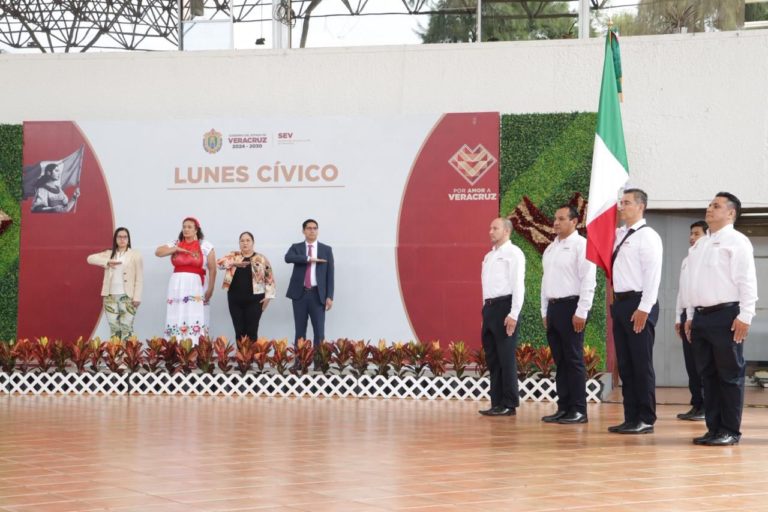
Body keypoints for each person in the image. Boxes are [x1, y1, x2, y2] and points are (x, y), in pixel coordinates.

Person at [685, 192, 758, 446]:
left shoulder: (737, 241)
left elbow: (746, 281)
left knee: (729, 375)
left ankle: (729, 430)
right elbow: (692, 283)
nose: (709, 208)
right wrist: (691, 315)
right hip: (701, 317)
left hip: (727, 316)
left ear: (731, 213)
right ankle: (714, 428)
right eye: (709, 204)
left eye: (716, 206)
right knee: (708, 376)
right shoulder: (701, 244)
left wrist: (746, 315)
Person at [608, 188, 663, 435]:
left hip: (639, 303)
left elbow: (653, 275)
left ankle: (646, 418)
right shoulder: (620, 234)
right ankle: (631, 417)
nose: (622, 207)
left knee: (641, 364)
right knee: (626, 365)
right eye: (621, 202)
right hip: (620, 304)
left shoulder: (647, 236)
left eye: (627, 202)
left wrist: (644, 308)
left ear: (641, 206)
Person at [540, 206, 596, 424]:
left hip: (572, 307)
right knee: (560, 361)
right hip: (554, 309)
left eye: (562, 219)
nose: (556, 222)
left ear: (574, 222)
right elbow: (545, 281)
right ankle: (564, 408)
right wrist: (545, 311)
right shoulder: (551, 248)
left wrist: (582, 311)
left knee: (573, 359)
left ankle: (579, 410)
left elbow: (588, 280)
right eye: (555, 218)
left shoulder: (581, 245)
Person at [479, 217, 525, 417]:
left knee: (506, 358)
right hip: (489, 309)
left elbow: (518, 285)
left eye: (495, 228)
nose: (490, 231)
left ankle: (509, 403)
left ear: (507, 231)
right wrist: (485, 313)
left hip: (505, 307)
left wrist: (514, 313)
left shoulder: (514, 253)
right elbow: (486, 287)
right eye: (490, 228)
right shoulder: (489, 256)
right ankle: (497, 402)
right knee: (493, 358)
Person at [155, 217, 216, 343]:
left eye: (189, 227)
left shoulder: (205, 245)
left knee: (195, 312)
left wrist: (210, 288)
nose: (186, 229)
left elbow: (213, 269)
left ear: (196, 230)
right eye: (184, 227)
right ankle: (175, 344)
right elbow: (158, 252)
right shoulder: (176, 243)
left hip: (196, 284)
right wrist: (175, 249)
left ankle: (196, 344)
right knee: (177, 312)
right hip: (177, 284)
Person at [674, 220, 708, 421]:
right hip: (686, 314)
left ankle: (706, 405)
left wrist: (692, 315)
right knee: (691, 363)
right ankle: (696, 403)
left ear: (707, 235)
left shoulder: (706, 259)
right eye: (691, 234)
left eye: (696, 233)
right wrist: (678, 316)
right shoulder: (686, 260)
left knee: (702, 362)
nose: (692, 238)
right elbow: (682, 291)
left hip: (700, 313)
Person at [285, 219, 334, 350]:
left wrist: (329, 296)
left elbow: (330, 275)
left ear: (317, 230)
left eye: (314, 228)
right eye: (309, 228)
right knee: (300, 332)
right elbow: (288, 258)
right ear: (303, 231)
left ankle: (319, 362)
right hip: (299, 295)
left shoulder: (326, 249)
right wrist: (308, 259)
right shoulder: (296, 247)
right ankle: (300, 361)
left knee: (319, 332)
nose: (312, 230)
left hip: (318, 295)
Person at [217, 231, 276, 341]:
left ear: (253, 242)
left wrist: (268, 297)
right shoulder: (233, 255)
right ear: (239, 243)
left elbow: (269, 278)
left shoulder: (261, 258)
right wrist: (234, 263)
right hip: (235, 299)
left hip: (255, 300)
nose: (245, 243)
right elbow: (219, 264)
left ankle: (251, 353)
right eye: (242, 241)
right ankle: (241, 353)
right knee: (239, 331)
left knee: (252, 331)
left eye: (248, 240)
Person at [86, 227, 143, 340]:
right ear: (115, 239)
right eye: (119, 237)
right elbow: (90, 258)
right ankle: (115, 351)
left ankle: (128, 351)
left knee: (126, 328)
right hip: (110, 296)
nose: (122, 239)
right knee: (114, 329)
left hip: (128, 296)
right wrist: (107, 262)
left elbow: (139, 278)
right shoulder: (109, 253)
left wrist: (137, 297)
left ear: (128, 239)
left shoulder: (135, 255)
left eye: (125, 237)